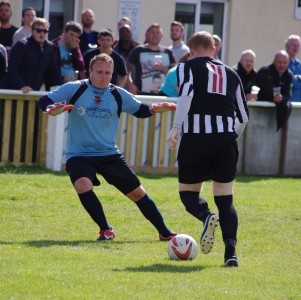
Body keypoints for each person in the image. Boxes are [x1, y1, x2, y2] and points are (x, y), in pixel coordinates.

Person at [38, 53, 177, 242]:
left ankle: (165, 232)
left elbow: (141, 110)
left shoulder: (117, 94)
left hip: (109, 154)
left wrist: (154, 109)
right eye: (100, 72)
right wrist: (51, 109)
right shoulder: (75, 88)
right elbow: (44, 101)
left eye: (108, 73)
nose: (104, 76)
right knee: (82, 185)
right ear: (90, 72)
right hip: (79, 155)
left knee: (138, 193)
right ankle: (106, 229)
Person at [167, 31, 249, 268]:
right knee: (226, 200)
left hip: (195, 139)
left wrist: (175, 127)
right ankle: (231, 254)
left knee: (188, 195)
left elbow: (185, 96)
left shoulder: (186, 67)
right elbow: (243, 116)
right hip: (225, 140)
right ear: (214, 50)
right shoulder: (232, 73)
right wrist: (230, 136)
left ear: (190, 52)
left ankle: (206, 217)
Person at [2, 18, 61, 93]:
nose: (42, 33)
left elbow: (53, 71)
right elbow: (12, 69)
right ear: (32, 31)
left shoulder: (49, 47)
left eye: (45, 31)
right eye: (39, 30)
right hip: (14, 91)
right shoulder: (22, 45)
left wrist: (61, 88)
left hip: (33, 92)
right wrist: (21, 86)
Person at [127, 23, 176, 95]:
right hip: (141, 94)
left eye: (157, 33)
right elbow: (126, 70)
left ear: (162, 35)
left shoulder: (168, 52)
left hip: (163, 95)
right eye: (152, 32)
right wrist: (131, 85)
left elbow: (175, 75)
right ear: (147, 35)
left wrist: (163, 69)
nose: (155, 35)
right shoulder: (138, 50)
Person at [256, 50, 292, 131]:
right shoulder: (265, 71)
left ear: (288, 62)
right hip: (259, 111)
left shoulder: (289, 74)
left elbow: (287, 94)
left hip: (274, 114)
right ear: (273, 62)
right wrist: (277, 98)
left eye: (284, 62)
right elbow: (266, 93)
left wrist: (281, 98)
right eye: (279, 62)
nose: (282, 65)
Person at [285, 34, 301, 102]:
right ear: (286, 46)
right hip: (287, 103)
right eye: (293, 45)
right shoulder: (282, 63)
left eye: (297, 46)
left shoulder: (299, 64)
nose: (295, 48)